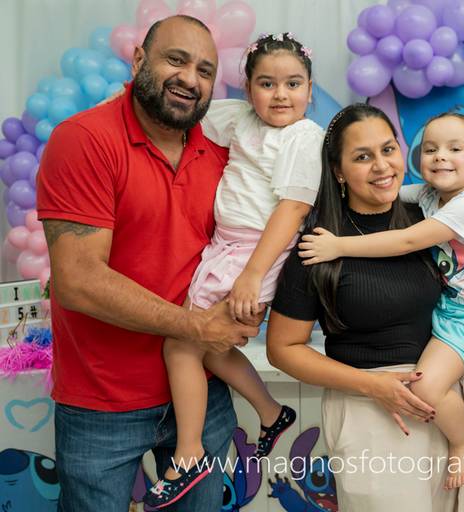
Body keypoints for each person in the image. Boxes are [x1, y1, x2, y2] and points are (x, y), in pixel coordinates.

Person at [36, 15, 262, 511]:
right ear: (139, 59)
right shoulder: (84, 140)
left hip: (202, 395)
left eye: (205, 70)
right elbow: (78, 280)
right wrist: (197, 327)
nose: (190, 79)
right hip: (102, 401)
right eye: (175, 60)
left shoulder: (222, 150)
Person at [266, 104, 464, 511]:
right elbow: (282, 349)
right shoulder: (320, 245)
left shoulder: (430, 217)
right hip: (370, 414)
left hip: (445, 405)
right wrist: (373, 385)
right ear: (338, 171)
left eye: (388, 150)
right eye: (362, 156)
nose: (381, 166)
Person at [143, 32, 324, 508]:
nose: (280, 95)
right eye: (267, 84)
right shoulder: (239, 117)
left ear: (310, 89)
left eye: (293, 84)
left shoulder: (304, 136)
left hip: (255, 253)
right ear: (248, 88)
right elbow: (187, 117)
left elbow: (293, 208)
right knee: (209, 347)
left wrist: (252, 275)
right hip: (223, 248)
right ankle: (271, 412)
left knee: (180, 344)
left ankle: (188, 453)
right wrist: (120, 100)